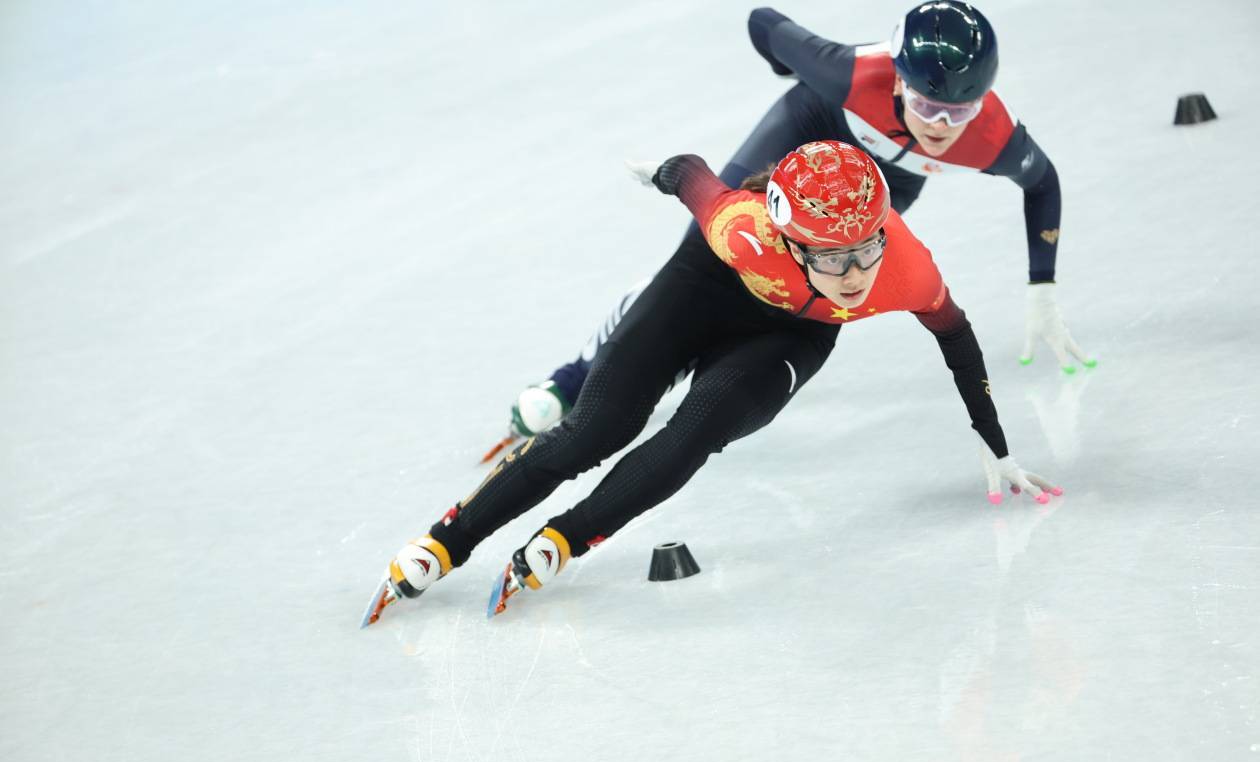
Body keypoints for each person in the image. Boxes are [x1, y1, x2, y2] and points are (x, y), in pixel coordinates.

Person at [363, 140, 1060, 626]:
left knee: (697, 429)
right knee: (594, 430)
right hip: (705, 289)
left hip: (789, 338)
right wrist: (654, 168)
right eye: (831, 254)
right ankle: (445, 541)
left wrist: (996, 445)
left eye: (866, 246)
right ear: (788, 241)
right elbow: (689, 174)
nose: (855, 273)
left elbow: (960, 348)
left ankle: (568, 538)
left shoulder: (907, 268)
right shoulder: (741, 228)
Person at [491, 1, 1093, 454]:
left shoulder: (991, 138)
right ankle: (574, 378)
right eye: (928, 105)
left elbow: (1044, 185)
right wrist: (790, 70)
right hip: (803, 129)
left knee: (804, 284)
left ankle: (695, 363)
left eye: (959, 111)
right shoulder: (850, 75)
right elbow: (763, 21)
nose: (941, 126)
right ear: (898, 80)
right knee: (707, 253)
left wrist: (1043, 288)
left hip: (875, 182)